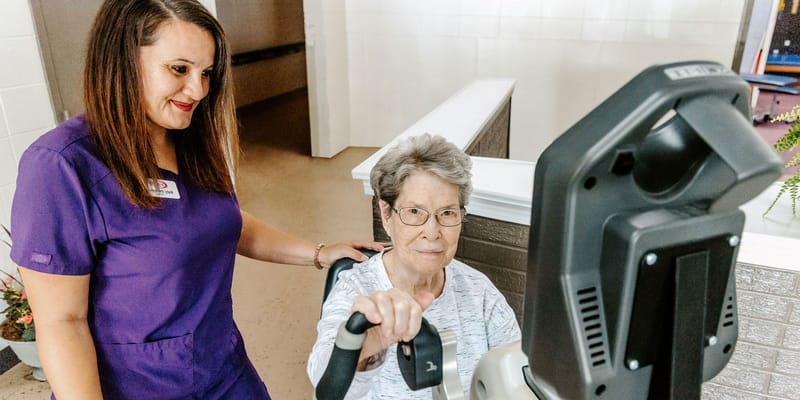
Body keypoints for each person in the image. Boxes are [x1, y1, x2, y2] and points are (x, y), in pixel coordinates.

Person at [9, 1, 382, 399]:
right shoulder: (61, 166)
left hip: (222, 368)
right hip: (135, 387)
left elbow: (221, 221)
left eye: (206, 73)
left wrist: (318, 253)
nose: (198, 90)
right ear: (121, 61)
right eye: (179, 69)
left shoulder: (189, 142)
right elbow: (62, 322)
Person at [307, 134, 522, 399]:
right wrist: (363, 350)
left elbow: (517, 377)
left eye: (447, 213)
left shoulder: (479, 291)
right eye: (414, 212)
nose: (432, 232)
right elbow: (324, 387)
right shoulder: (355, 289)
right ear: (386, 215)